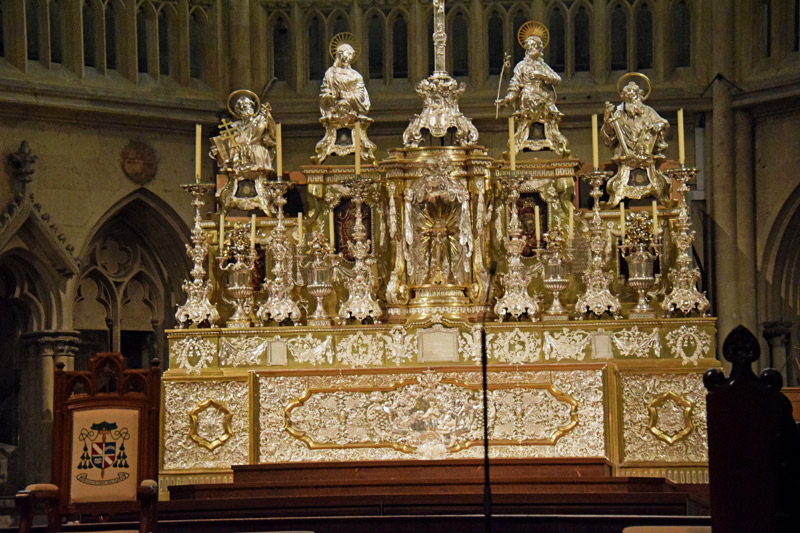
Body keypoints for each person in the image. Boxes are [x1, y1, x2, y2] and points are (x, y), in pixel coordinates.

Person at [496, 34, 569, 157]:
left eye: (534, 46)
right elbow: (514, 85)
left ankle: (552, 137)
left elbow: (557, 79)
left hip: (543, 98)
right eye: (529, 46)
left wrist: (542, 76)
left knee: (549, 111)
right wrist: (506, 100)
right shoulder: (521, 66)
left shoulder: (543, 66)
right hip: (527, 100)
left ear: (540, 49)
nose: (531, 48)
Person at [602, 80, 670, 205]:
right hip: (626, 153)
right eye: (627, 96)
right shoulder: (619, 114)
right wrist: (607, 118)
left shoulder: (648, 111)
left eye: (633, 96)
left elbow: (663, 123)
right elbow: (609, 132)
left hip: (645, 151)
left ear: (639, 96)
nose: (631, 99)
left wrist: (658, 126)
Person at [313, 43, 376, 164]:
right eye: (347, 53)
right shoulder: (330, 74)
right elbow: (324, 92)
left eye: (351, 54)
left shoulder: (356, 76)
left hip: (353, 113)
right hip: (335, 114)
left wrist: (347, 97)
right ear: (340, 55)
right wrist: (332, 97)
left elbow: (361, 93)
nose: (350, 56)